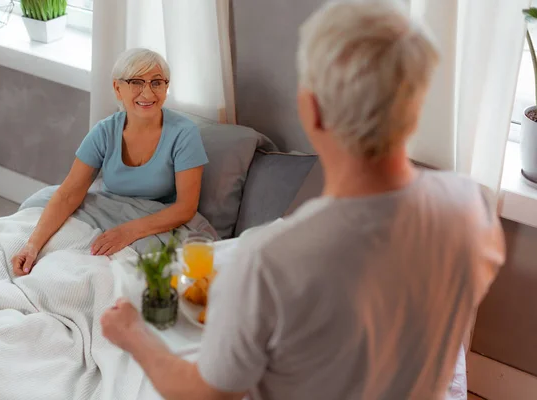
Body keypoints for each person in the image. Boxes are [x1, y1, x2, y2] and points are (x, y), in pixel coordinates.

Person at [100, 1, 505, 399]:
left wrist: (133, 336)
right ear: (417, 109)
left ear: (310, 109)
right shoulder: (474, 209)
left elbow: (204, 393)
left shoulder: (270, 261)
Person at [12, 49, 208, 276]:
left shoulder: (184, 134)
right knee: (51, 249)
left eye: (156, 83)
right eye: (136, 82)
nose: (147, 93)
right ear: (118, 88)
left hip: (158, 223)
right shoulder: (104, 132)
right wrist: (32, 246)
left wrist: (128, 231)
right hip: (104, 210)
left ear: (166, 87)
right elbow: (68, 194)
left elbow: (186, 208)